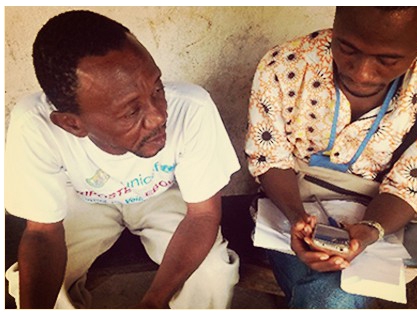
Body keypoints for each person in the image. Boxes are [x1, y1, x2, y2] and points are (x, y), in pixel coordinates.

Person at [5, 10, 241, 309]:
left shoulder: (192, 107)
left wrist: (153, 301)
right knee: (37, 284)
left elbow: (203, 215)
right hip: (82, 200)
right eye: (131, 111)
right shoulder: (35, 124)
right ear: (72, 124)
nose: (158, 116)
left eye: (157, 88)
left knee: (213, 274)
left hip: (161, 196)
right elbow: (42, 234)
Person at [245, 6, 417, 309]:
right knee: (333, 298)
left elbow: (410, 188)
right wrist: (296, 218)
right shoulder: (282, 66)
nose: (360, 72)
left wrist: (368, 232)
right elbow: (269, 157)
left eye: (388, 60)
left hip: (381, 218)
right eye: (346, 47)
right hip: (289, 202)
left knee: (335, 296)